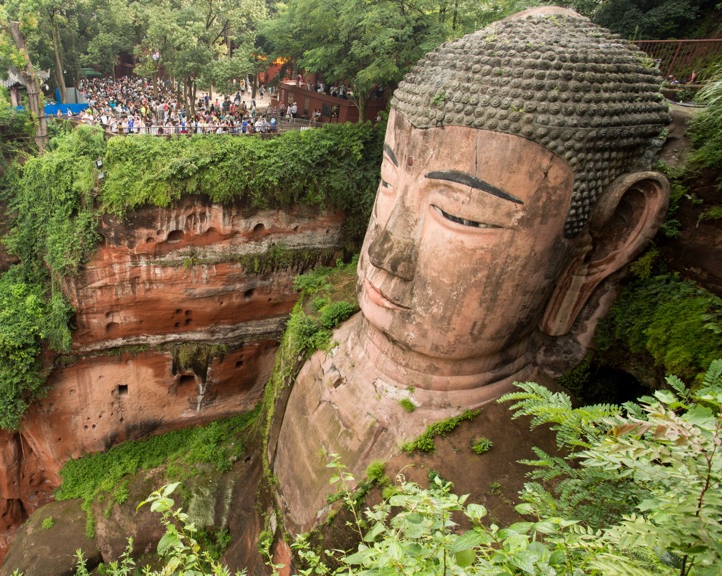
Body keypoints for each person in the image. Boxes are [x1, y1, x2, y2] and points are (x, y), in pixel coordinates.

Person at [273, 6, 672, 531]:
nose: (383, 252)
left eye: (460, 213)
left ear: (610, 239)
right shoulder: (323, 336)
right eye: (387, 183)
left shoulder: (520, 508)